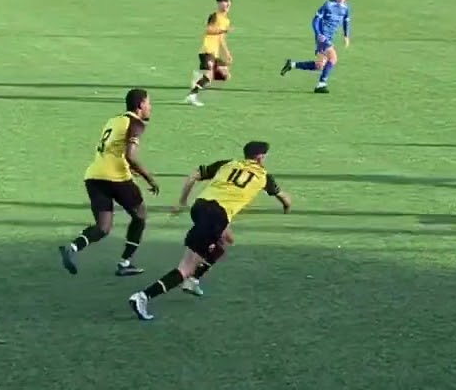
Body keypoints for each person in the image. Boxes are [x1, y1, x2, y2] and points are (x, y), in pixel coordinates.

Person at [127, 141, 292, 321]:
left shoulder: (227, 163)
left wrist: (182, 202)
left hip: (201, 206)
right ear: (260, 157)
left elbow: (193, 176)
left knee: (226, 240)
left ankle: (193, 281)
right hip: (217, 216)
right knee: (186, 267)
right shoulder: (264, 177)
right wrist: (286, 206)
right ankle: (143, 297)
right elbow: (283, 197)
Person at [58, 89, 159, 277]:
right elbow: (130, 155)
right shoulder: (136, 123)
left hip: (94, 176)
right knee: (140, 216)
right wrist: (149, 178)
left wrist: (131, 169)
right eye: (148, 103)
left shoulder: (114, 120)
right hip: (117, 178)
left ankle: (72, 247)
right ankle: (124, 263)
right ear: (140, 106)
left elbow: (113, 149)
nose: (150, 107)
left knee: (103, 227)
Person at [280, 0, 350, 94]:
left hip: (330, 38)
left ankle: (292, 65)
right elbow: (315, 20)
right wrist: (318, 34)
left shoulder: (346, 8)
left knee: (320, 65)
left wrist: (346, 36)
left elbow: (346, 21)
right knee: (333, 58)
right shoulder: (328, 5)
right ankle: (322, 84)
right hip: (323, 37)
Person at [186, 0, 233, 107]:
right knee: (209, 76)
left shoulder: (226, 20)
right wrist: (223, 30)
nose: (226, 4)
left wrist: (227, 53)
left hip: (214, 53)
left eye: (228, 1)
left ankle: (198, 78)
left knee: (225, 75)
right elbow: (209, 30)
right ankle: (192, 96)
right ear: (218, 3)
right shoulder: (214, 16)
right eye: (224, 1)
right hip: (207, 50)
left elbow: (221, 39)